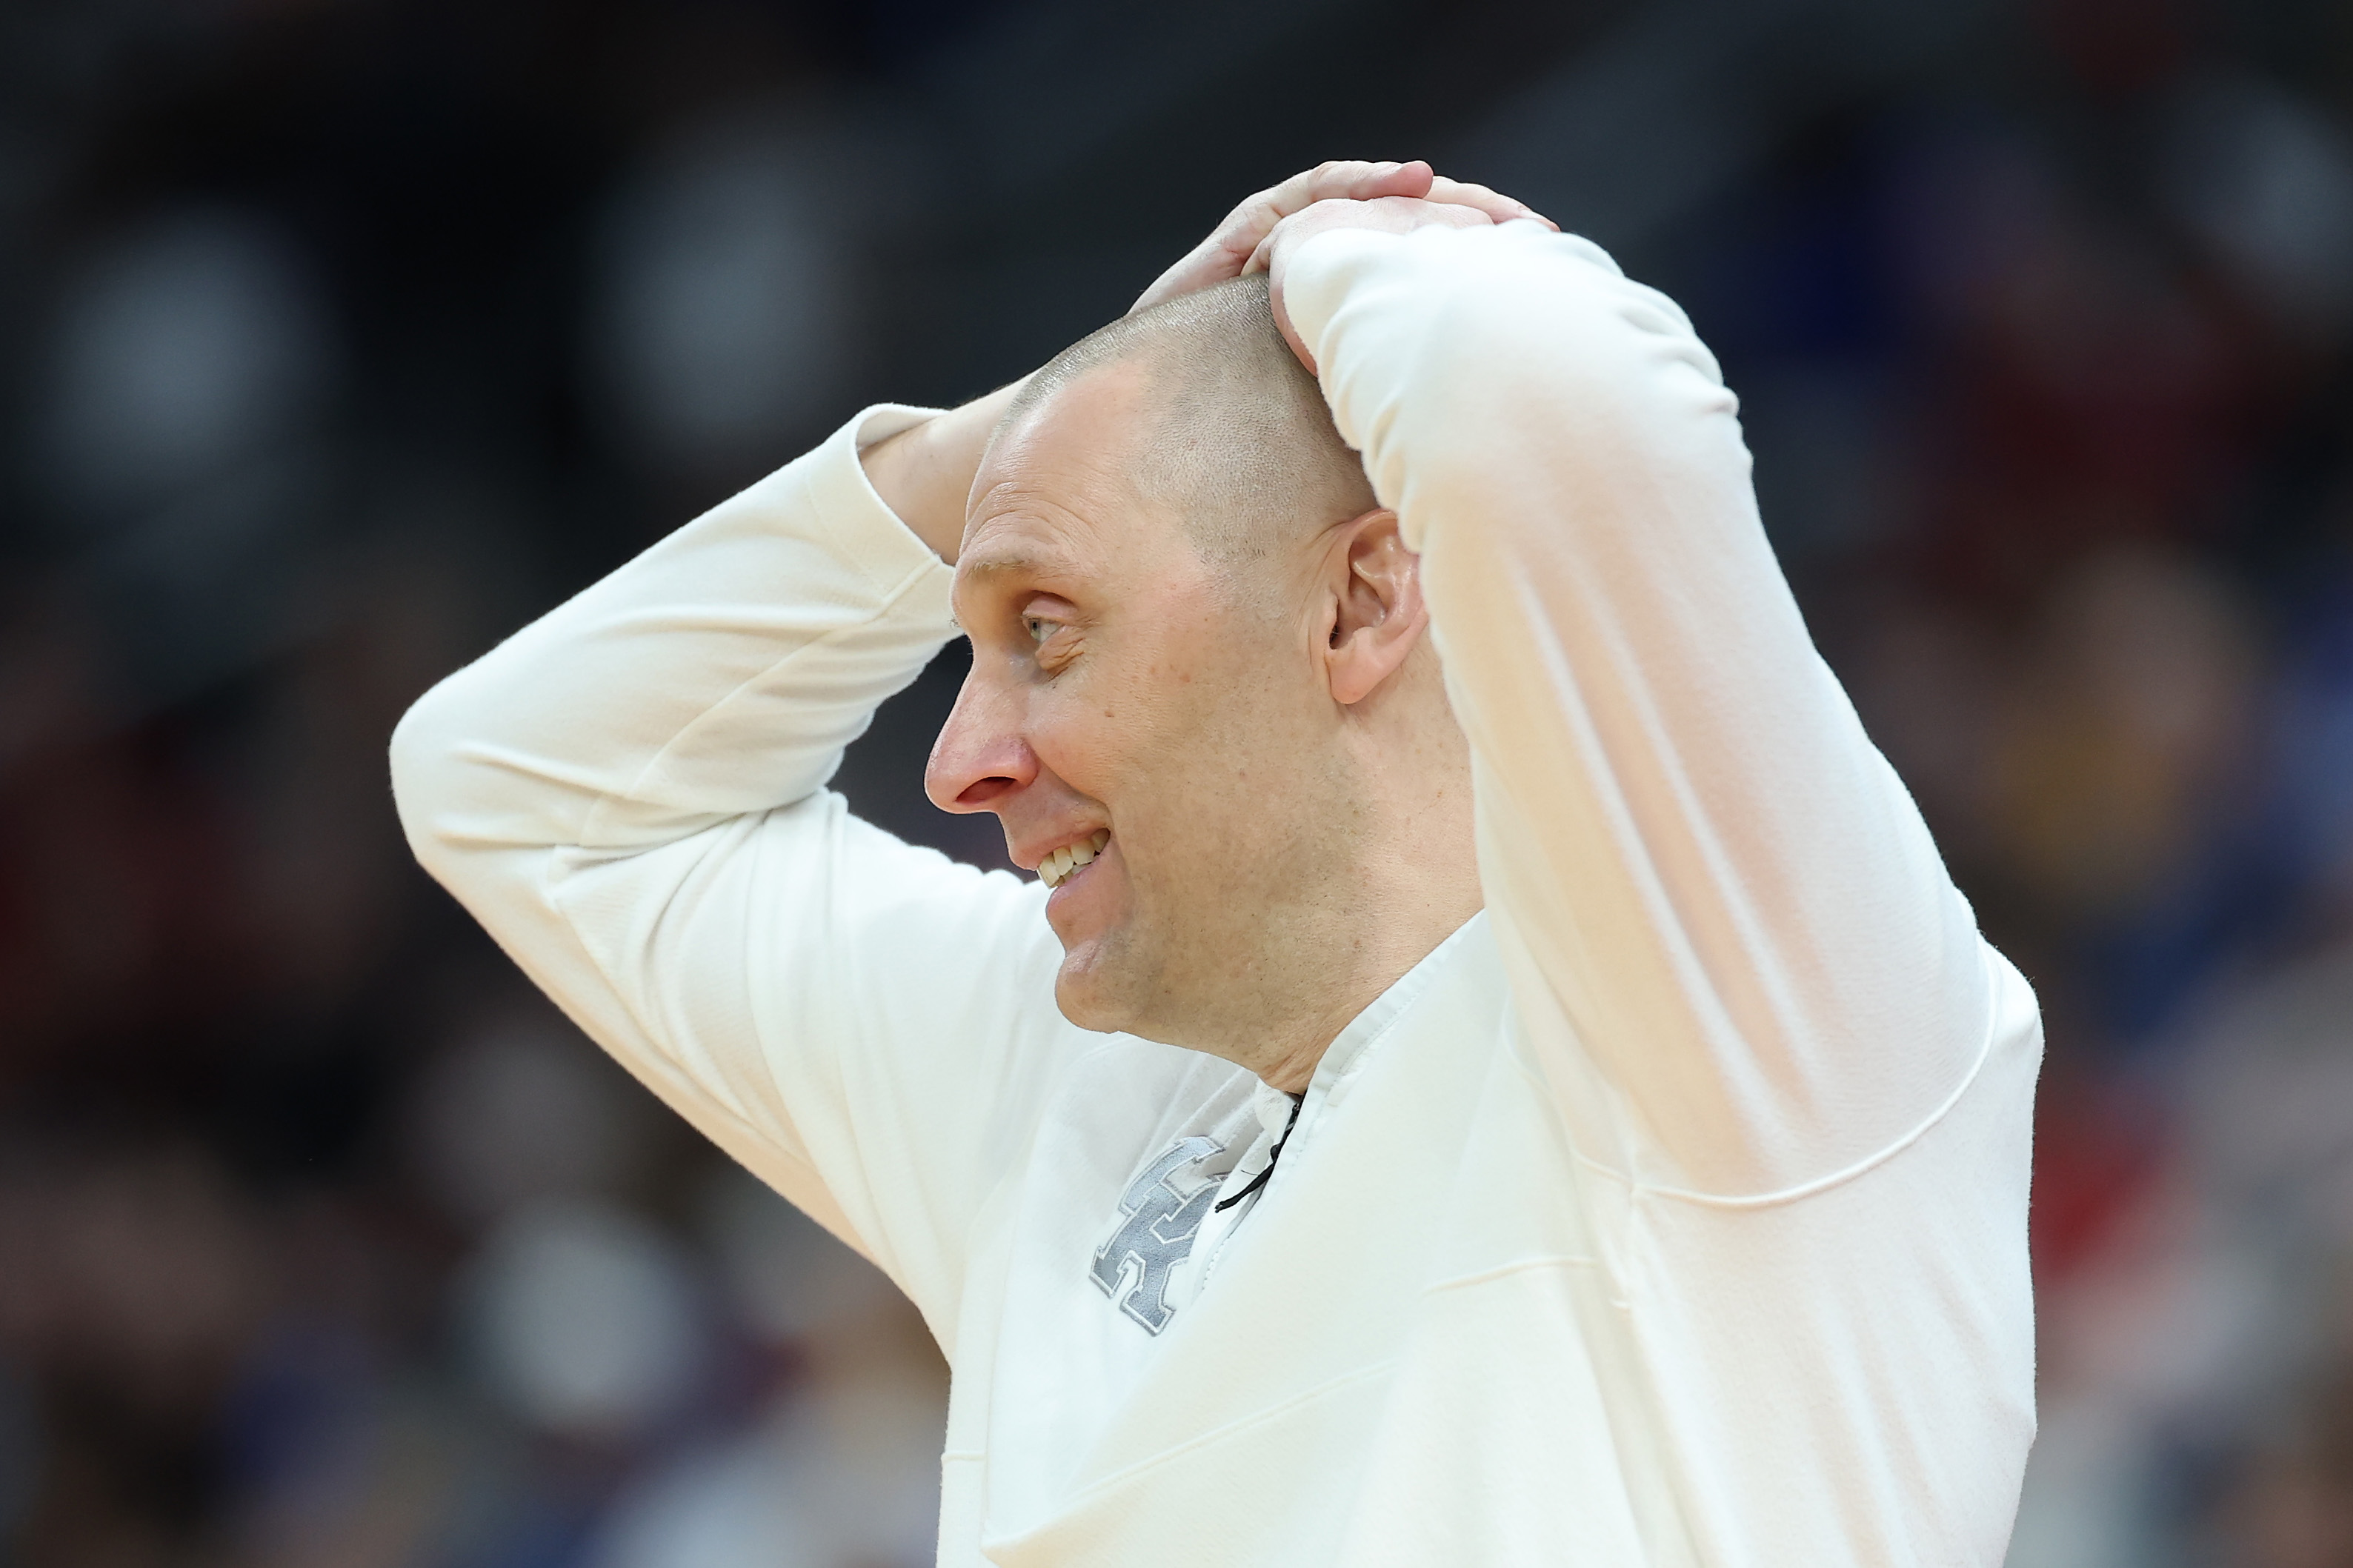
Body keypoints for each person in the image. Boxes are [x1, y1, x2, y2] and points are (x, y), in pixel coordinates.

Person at [390, 160, 2040, 1565]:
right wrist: (1053, 435)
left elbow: (1526, 381)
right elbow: (516, 786)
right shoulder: (1055, 1092)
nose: (959, 762)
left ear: (1361, 602)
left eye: (1044, 629)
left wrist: (1310, 258)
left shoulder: (1734, 1030)